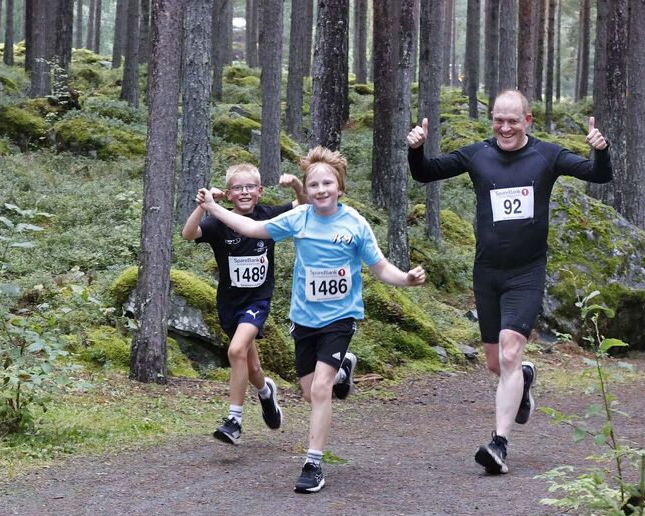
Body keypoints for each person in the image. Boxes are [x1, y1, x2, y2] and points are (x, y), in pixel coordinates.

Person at [196, 146, 427, 493]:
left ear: (340, 187)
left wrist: (405, 279)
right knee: (310, 392)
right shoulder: (299, 219)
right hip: (305, 319)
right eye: (314, 184)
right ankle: (344, 367)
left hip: (341, 317)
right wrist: (213, 208)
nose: (320, 190)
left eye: (327, 184)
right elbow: (253, 227)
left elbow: (380, 267)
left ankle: (313, 463)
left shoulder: (355, 224)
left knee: (321, 389)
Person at [406, 89, 612, 475]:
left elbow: (598, 174)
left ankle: (499, 444)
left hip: (526, 272)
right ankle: (524, 381)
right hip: (487, 272)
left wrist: (600, 149)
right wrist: (416, 149)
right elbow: (425, 173)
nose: (504, 127)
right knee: (496, 363)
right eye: (498, 119)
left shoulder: (547, 155)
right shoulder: (477, 154)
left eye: (513, 120)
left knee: (511, 351)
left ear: (528, 121)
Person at [181, 163, 308, 445]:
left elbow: (303, 204)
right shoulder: (219, 221)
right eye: (238, 188)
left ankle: (234, 420)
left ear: (260, 191)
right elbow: (188, 234)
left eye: (250, 186)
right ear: (228, 194)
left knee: (236, 349)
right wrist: (204, 205)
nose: (245, 192)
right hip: (229, 304)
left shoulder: (269, 216)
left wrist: (298, 186)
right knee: (250, 367)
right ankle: (266, 393)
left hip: (258, 300)